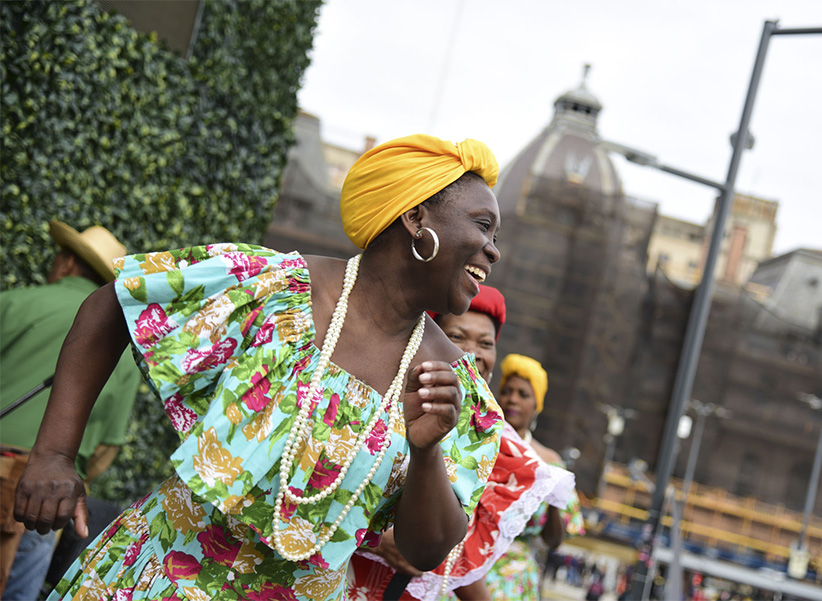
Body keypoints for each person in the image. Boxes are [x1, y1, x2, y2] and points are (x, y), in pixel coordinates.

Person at [13, 134, 507, 601]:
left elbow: (428, 549)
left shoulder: (455, 389)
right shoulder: (274, 290)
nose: (493, 250)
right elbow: (115, 303)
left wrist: (426, 453)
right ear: (416, 217)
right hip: (155, 577)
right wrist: (54, 453)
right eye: (482, 225)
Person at [347, 287, 575, 600]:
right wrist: (374, 537)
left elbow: (461, 555)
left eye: (485, 343)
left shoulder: (501, 446)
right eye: (457, 337)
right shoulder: (375, 400)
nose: (473, 353)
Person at [0, 221, 141, 600]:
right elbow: (104, 450)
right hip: (41, 496)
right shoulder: (124, 353)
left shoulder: (14, 303)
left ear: (65, 263)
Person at [483, 353, 586, 599]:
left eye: (523, 394)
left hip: (513, 583)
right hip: (464, 562)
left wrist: (553, 502)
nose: (512, 399)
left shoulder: (550, 462)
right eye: (507, 391)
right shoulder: (478, 445)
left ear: (536, 405)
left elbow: (554, 541)